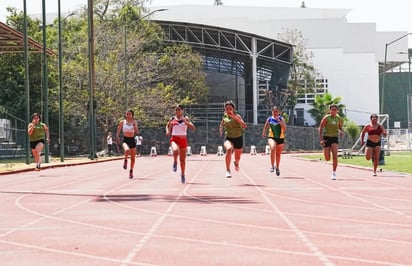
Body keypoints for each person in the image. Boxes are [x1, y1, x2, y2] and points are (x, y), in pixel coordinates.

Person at [166, 104, 195, 184]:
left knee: (182, 160)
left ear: (182, 111)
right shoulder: (172, 119)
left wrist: (186, 123)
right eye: (176, 110)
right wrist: (168, 131)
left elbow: (193, 128)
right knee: (175, 150)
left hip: (183, 139)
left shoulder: (186, 118)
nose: (177, 111)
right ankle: (175, 161)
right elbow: (167, 125)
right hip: (174, 139)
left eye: (179, 109)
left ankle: (182, 174)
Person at [219, 100, 247, 178]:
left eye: (230, 108)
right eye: (227, 109)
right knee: (229, 149)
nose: (228, 110)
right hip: (228, 137)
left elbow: (244, 126)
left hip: (238, 137)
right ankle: (228, 170)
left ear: (233, 109)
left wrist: (234, 117)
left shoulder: (237, 116)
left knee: (237, 158)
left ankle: (236, 163)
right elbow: (222, 124)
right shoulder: (224, 116)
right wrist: (221, 129)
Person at [318, 104, 344, 180]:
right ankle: (326, 151)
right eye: (332, 110)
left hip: (334, 138)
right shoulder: (327, 118)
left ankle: (334, 173)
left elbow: (340, 128)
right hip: (326, 137)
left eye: (335, 110)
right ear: (330, 111)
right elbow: (320, 128)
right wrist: (321, 139)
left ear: (337, 111)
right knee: (327, 158)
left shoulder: (339, 119)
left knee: (335, 156)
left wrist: (341, 132)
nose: (333, 111)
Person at [261, 106, 286, 176]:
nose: (275, 113)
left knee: (278, 154)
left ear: (279, 112)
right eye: (274, 111)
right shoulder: (269, 119)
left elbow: (284, 129)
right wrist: (264, 132)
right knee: (272, 147)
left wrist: (280, 122)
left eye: (276, 111)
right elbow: (266, 125)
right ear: (272, 112)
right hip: (271, 136)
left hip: (280, 138)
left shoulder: (281, 119)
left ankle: (277, 167)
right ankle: (272, 166)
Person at [116, 110, 140, 179]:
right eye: (127, 114)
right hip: (125, 140)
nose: (128, 115)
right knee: (127, 150)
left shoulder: (134, 122)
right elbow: (119, 128)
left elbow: (137, 132)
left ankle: (131, 171)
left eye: (130, 114)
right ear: (125, 115)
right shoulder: (122, 122)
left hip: (132, 140)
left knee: (133, 158)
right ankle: (125, 160)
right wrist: (117, 136)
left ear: (132, 115)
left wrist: (135, 126)